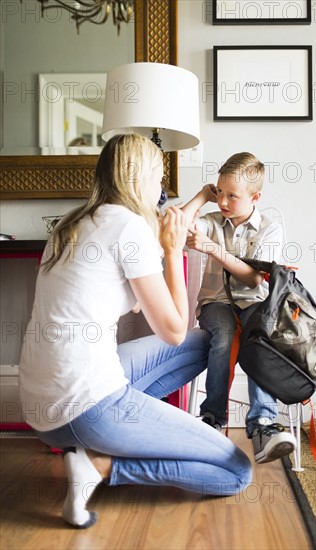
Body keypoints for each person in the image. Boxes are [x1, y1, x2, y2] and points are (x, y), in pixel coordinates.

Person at [18, 134, 252, 529]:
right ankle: (99, 466)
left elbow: (144, 298)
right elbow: (173, 330)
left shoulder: (70, 226)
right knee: (236, 471)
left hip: (42, 411)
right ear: (140, 177)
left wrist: (179, 224)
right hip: (88, 408)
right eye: (158, 178)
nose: (160, 189)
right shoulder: (128, 228)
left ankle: (104, 445)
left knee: (206, 343)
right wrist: (176, 252)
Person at [182, 152, 297, 464]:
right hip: (216, 304)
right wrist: (201, 196)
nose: (223, 202)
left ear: (255, 197)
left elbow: (253, 280)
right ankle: (212, 419)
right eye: (220, 192)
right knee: (223, 336)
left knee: (259, 338)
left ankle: (262, 426)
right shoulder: (212, 222)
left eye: (231, 196)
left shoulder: (269, 229)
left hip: (254, 302)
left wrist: (212, 249)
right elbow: (174, 227)